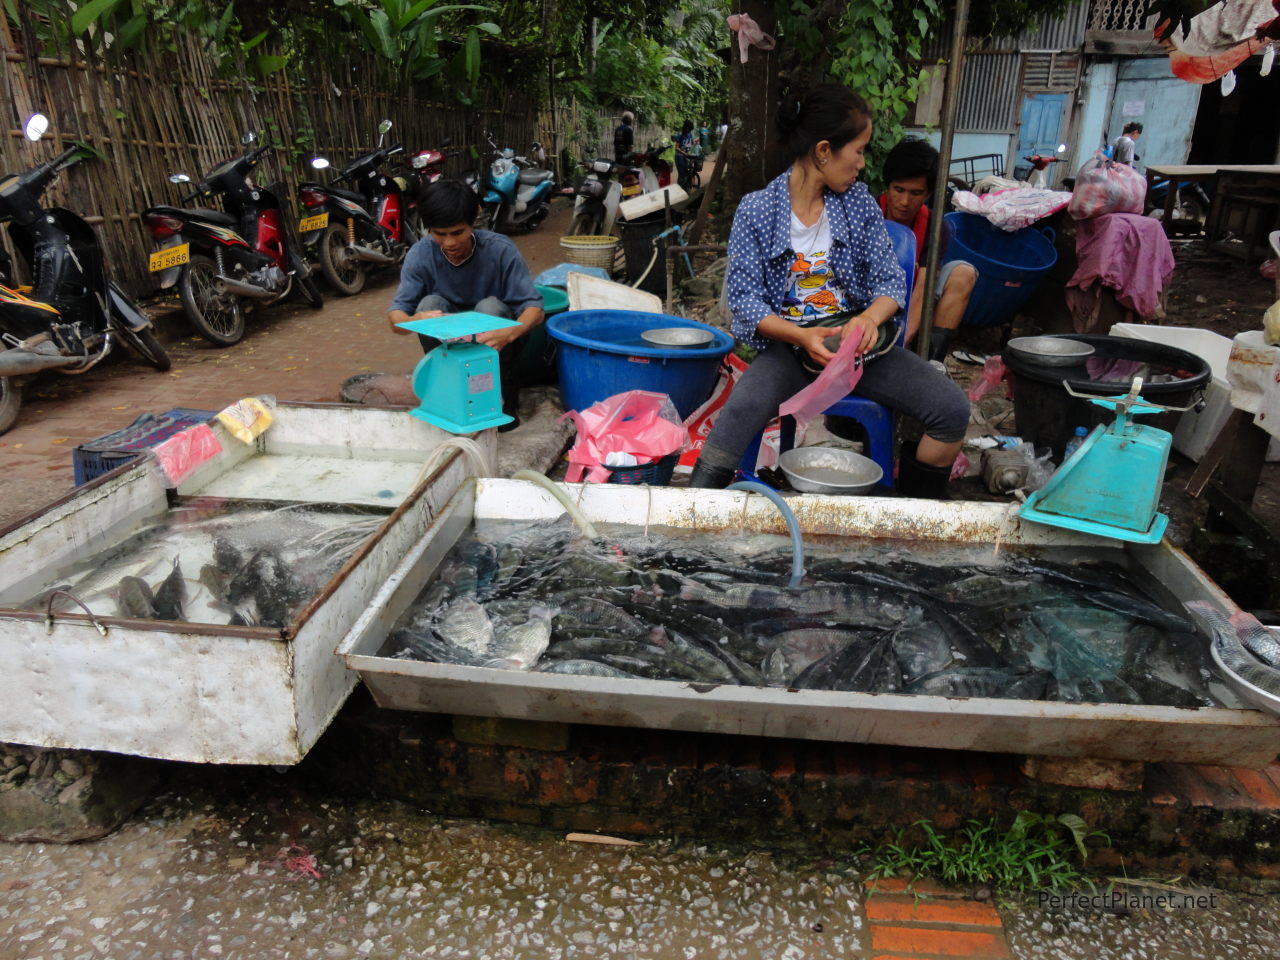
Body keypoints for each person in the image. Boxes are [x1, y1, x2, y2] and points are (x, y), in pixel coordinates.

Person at [688, 84, 970, 498]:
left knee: (951, 410)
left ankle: (912, 515)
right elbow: (745, 303)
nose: (860, 164)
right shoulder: (757, 210)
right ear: (824, 151)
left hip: (859, 351)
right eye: (857, 150)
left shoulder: (856, 202)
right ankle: (694, 521)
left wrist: (869, 319)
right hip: (792, 349)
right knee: (737, 416)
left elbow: (892, 283)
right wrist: (802, 335)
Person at [387, 179, 544, 431]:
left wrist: (512, 331)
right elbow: (396, 318)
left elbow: (535, 310)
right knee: (429, 303)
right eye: (440, 234)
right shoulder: (419, 254)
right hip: (450, 345)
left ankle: (502, 399)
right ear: (429, 230)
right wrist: (413, 321)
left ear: (473, 224)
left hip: (497, 344)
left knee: (490, 307)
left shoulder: (500, 250)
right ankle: (446, 392)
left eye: (457, 232)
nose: (449, 243)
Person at [878, 138, 978, 365]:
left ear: (928, 193)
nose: (904, 201)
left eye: (915, 193)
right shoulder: (868, 213)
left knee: (963, 272)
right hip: (874, 295)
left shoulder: (936, 227)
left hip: (914, 292)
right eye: (898, 189)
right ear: (888, 185)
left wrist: (899, 346)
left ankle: (932, 361)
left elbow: (924, 286)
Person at [674, 120, 697, 189]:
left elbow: (691, 143)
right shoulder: (680, 135)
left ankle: (685, 187)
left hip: (687, 156)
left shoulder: (690, 134)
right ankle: (679, 189)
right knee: (681, 174)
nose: (689, 130)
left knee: (687, 172)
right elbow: (676, 147)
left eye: (690, 129)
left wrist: (695, 143)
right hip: (680, 157)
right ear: (686, 127)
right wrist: (683, 153)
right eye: (688, 129)